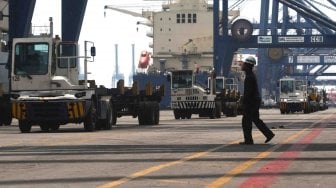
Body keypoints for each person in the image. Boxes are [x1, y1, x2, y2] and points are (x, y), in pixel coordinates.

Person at [240, 56, 274, 145]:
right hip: (254, 101)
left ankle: (248, 140)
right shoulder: (250, 76)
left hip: (251, 102)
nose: (242, 65)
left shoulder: (249, 77)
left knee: (246, 121)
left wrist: (244, 102)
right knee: (256, 119)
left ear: (248, 65)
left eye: (244, 63)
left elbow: (248, 92)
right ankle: (269, 134)